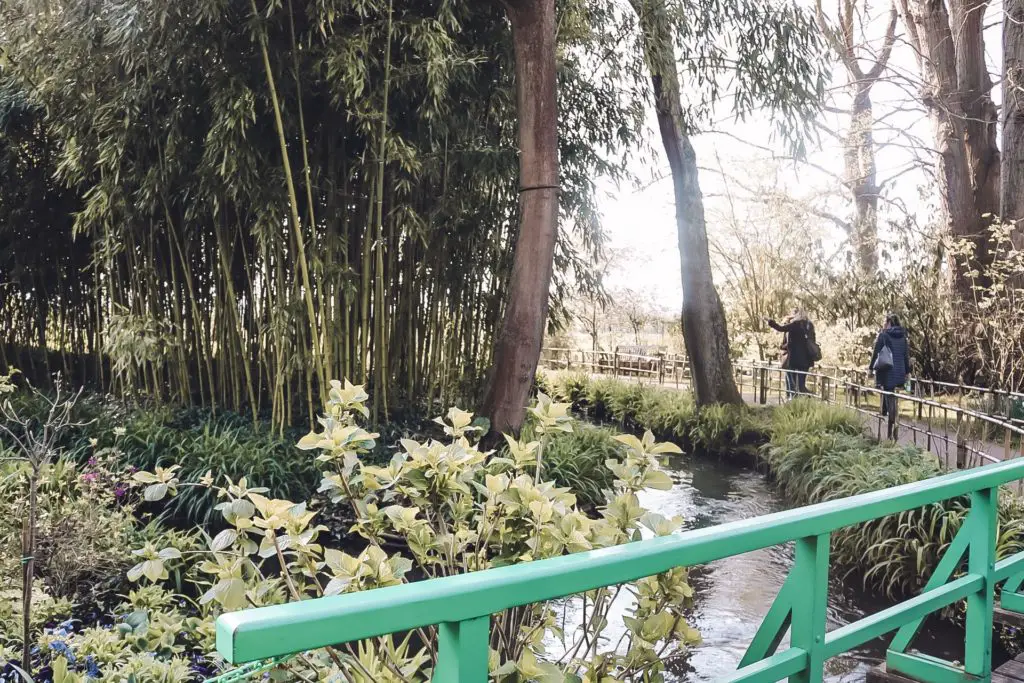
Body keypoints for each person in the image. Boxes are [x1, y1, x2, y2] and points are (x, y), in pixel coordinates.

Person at [869, 313, 911, 437]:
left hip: (887, 371)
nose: (883, 325)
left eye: (885, 322)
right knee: (892, 395)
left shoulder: (883, 336)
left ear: (889, 323)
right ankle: (890, 418)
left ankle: (891, 425)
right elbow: (905, 356)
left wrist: (871, 368)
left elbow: (876, 352)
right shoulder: (903, 337)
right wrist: (907, 372)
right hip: (899, 372)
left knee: (888, 393)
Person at [766, 309, 816, 399]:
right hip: (806, 360)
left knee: (792, 384)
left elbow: (780, 328)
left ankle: (794, 400)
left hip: (794, 359)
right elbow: (813, 340)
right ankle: (812, 398)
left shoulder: (795, 325)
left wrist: (770, 321)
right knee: (801, 385)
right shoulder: (809, 325)